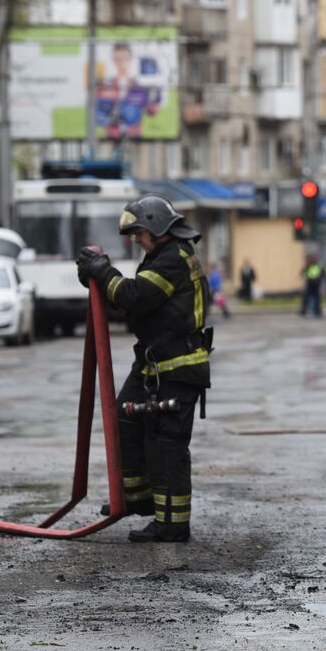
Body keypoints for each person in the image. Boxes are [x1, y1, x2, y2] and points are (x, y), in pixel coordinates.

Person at [76, 195, 211, 543]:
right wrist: (98, 284)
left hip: (178, 367)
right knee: (124, 416)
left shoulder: (173, 260)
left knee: (167, 446)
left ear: (154, 227)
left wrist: (103, 272)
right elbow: (134, 306)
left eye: (138, 233)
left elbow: (135, 296)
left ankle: (173, 524)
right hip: (155, 364)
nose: (136, 241)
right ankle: (138, 501)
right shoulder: (161, 256)